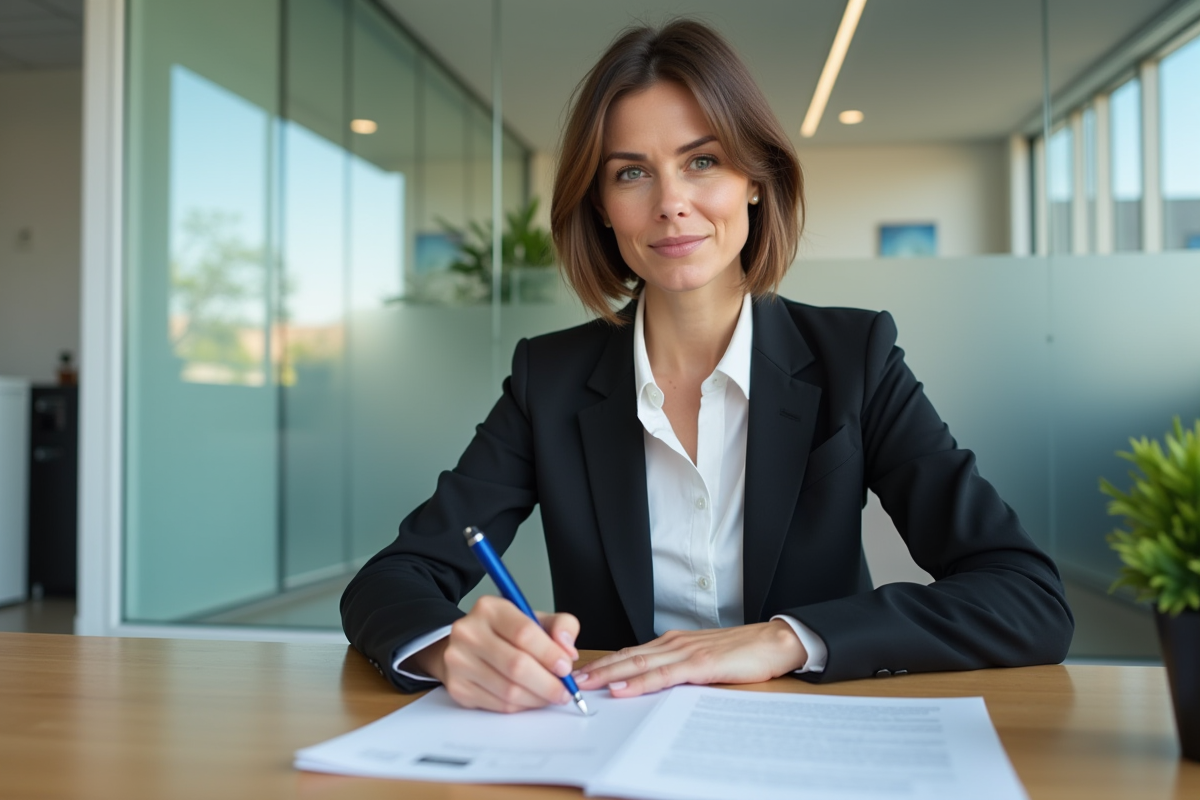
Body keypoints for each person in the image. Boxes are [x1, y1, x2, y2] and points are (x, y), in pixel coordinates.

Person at [341, 19, 1073, 713]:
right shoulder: (550, 379)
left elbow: (1025, 596)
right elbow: (393, 580)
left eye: (703, 161)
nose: (672, 204)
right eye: (631, 174)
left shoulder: (856, 357)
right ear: (600, 206)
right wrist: (448, 649)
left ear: (755, 178)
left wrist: (784, 639)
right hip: (613, 745)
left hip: (804, 743)